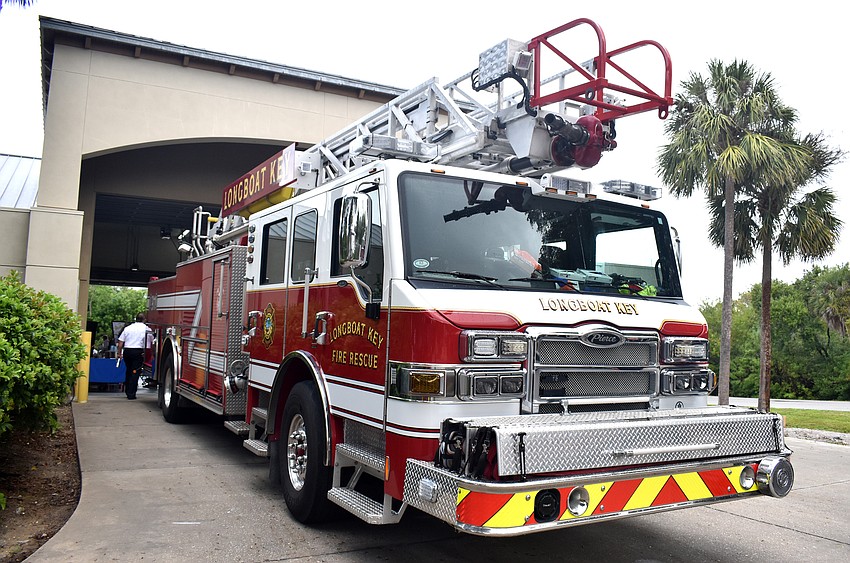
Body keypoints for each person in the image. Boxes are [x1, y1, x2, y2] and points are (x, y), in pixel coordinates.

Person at [116, 313, 151, 400]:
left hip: (127, 351)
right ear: (144, 319)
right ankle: (131, 393)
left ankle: (127, 390)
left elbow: (120, 343)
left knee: (129, 370)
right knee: (135, 372)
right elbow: (150, 343)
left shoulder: (128, 328)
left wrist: (119, 353)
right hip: (138, 352)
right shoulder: (146, 329)